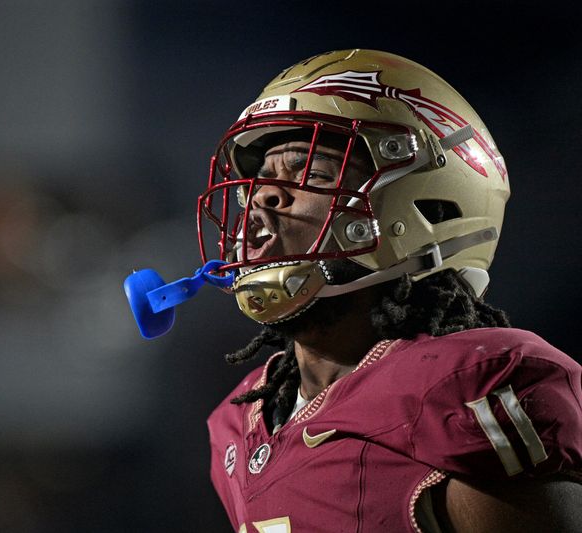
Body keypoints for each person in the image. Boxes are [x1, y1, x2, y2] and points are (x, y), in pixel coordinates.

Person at [198, 50, 582, 532]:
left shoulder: (470, 386)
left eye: (313, 173)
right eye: (259, 179)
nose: (262, 197)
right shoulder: (240, 420)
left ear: (429, 205)